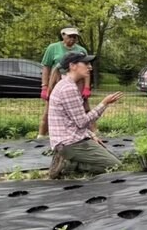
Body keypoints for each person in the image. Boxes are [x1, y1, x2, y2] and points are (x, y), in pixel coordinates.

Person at [48, 51, 123, 179]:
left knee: (113, 159)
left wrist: (91, 134)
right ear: (73, 66)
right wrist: (104, 103)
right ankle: (68, 164)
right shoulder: (68, 89)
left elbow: (74, 122)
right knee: (114, 165)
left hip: (73, 139)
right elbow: (82, 122)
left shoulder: (67, 85)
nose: (90, 67)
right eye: (86, 63)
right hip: (70, 143)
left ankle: (69, 160)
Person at [38, 27, 91, 138]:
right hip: (58, 82)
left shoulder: (81, 50)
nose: (72, 39)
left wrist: (86, 87)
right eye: (70, 36)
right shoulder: (53, 48)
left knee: (84, 109)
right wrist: (45, 87)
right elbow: (46, 68)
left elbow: (87, 69)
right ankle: (41, 135)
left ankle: (92, 132)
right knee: (49, 110)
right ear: (63, 35)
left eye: (75, 37)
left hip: (77, 84)